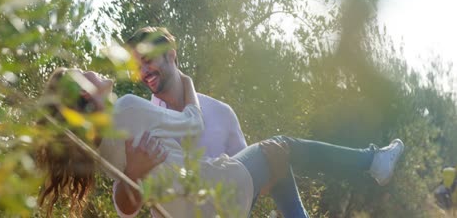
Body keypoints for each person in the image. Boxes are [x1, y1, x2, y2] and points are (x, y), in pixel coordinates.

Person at [37, 67, 405, 218]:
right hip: (209, 190)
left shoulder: (100, 151)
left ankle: (372, 162)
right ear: (85, 96)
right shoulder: (128, 110)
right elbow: (191, 123)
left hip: (192, 209)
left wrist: (131, 175)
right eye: (83, 74)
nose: (92, 70)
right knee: (283, 145)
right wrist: (187, 82)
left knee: (277, 165)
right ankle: (371, 161)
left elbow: (126, 206)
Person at [116, 26, 248, 217]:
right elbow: (125, 211)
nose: (143, 72)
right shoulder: (139, 122)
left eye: (147, 61)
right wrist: (132, 173)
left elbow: (248, 180)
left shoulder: (222, 113)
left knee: (276, 153)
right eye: (137, 68)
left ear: (170, 56)